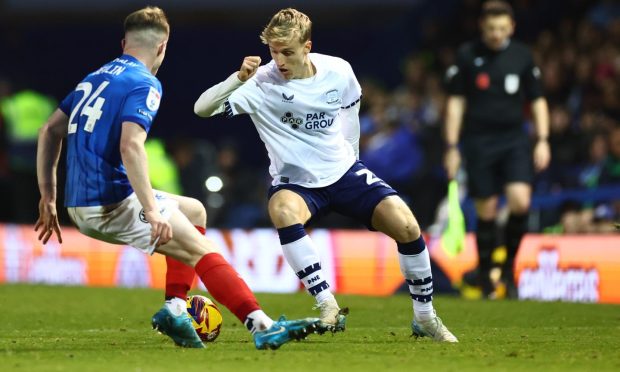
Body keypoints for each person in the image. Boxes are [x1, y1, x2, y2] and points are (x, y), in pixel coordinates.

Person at [35, 6, 319, 350]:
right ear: (162, 47)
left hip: (77, 203)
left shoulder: (95, 78)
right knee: (203, 251)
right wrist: (151, 210)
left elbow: (50, 130)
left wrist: (48, 195)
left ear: (125, 42)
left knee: (195, 210)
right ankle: (261, 325)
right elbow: (131, 146)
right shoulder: (144, 83)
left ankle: (174, 308)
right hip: (110, 203)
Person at [194, 8, 457, 342]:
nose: (280, 61)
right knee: (282, 210)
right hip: (298, 183)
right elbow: (201, 109)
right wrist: (238, 79)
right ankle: (326, 303)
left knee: (407, 226)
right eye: (274, 52)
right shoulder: (260, 84)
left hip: (345, 173)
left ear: (307, 47)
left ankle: (425, 318)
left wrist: (355, 160)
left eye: (287, 52)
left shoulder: (338, 71)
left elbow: (350, 116)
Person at [443, 0, 551, 298]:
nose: (496, 34)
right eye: (491, 28)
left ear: (511, 27)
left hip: (514, 139)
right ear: (483, 27)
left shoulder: (523, 56)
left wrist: (543, 139)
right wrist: (452, 146)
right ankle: (487, 275)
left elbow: (539, 101)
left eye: (502, 29)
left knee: (520, 202)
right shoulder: (467, 56)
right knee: (487, 209)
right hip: (479, 142)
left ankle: (508, 270)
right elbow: (455, 104)